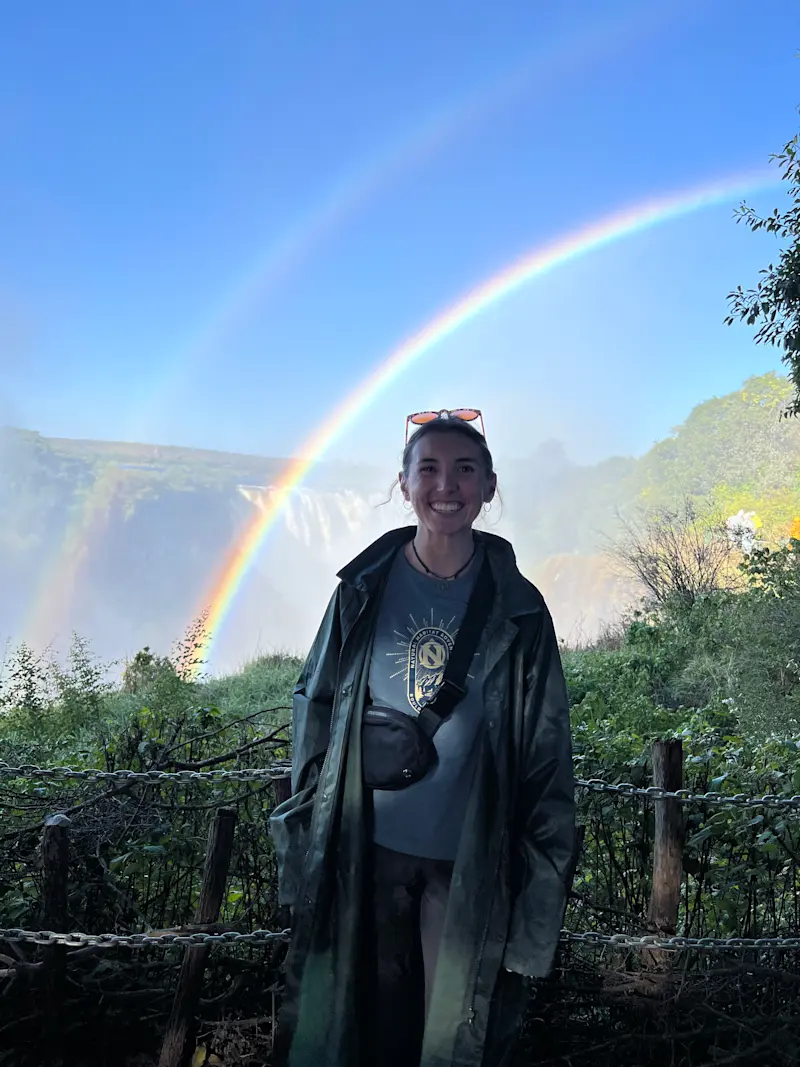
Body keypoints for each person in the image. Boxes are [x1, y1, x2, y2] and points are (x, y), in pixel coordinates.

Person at [270, 408, 575, 1067]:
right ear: (403, 483)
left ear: (490, 485)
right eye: (429, 467)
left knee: (452, 1039)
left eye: (465, 469)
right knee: (364, 1032)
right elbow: (315, 711)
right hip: (363, 853)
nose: (447, 484)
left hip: (466, 866)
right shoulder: (362, 590)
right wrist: (304, 844)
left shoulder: (520, 612)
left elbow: (547, 760)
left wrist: (537, 899)